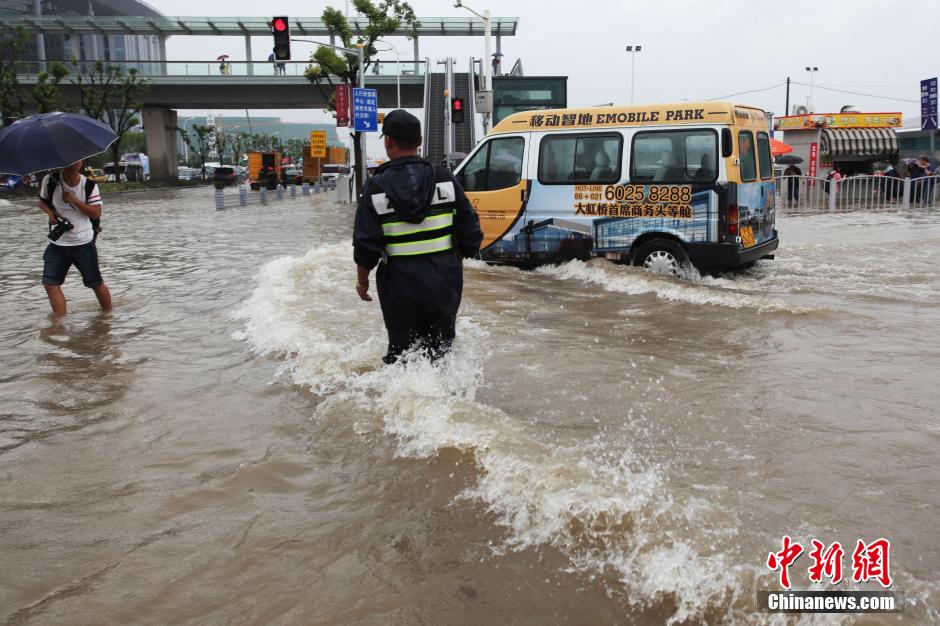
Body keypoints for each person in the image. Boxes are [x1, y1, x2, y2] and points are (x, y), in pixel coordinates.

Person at [353, 109, 483, 364]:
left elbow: (366, 244)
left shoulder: (376, 186)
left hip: (398, 285)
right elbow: (471, 230)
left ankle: (403, 401)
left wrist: (362, 281)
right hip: (444, 281)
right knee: (442, 352)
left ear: (388, 141)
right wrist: (458, 260)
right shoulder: (444, 178)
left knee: (403, 353)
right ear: (420, 141)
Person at [38, 160, 112, 315]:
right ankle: (59, 324)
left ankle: (108, 317)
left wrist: (75, 200)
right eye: (68, 161)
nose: (72, 164)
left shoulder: (89, 185)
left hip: (83, 243)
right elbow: (42, 202)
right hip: (57, 242)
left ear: (81, 162)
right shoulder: (50, 180)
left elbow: (96, 212)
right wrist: (50, 213)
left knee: (95, 283)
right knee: (50, 284)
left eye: (76, 161)